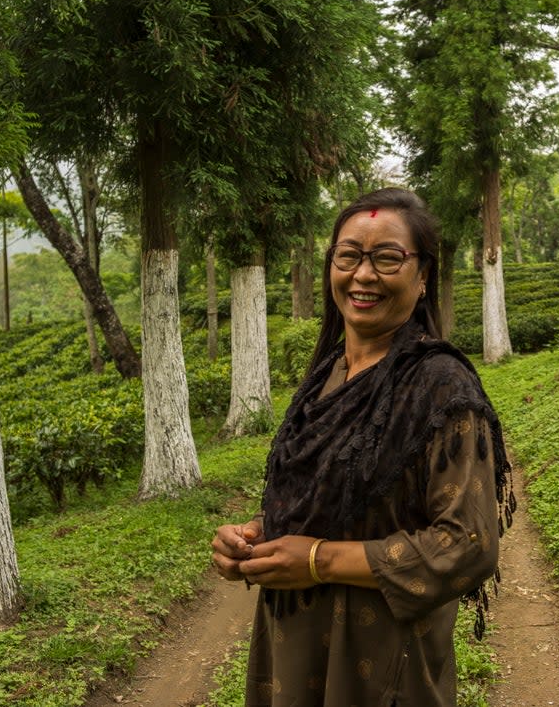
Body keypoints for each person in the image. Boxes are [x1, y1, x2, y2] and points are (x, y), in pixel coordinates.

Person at [211, 187, 515, 706]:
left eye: (388, 258)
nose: (364, 274)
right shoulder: (326, 374)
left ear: (423, 278)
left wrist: (318, 561)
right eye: (348, 256)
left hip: (382, 657)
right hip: (290, 642)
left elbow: (468, 544)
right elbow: (334, 495)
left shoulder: (440, 386)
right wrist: (258, 536)